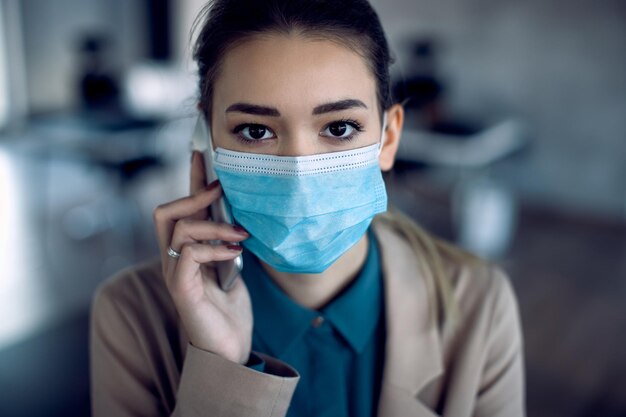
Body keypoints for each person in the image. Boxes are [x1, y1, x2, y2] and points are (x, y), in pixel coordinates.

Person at [90, 0, 525, 416]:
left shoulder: (480, 307)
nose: (298, 173)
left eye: (339, 127)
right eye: (255, 131)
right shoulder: (131, 316)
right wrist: (221, 371)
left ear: (388, 138)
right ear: (206, 137)